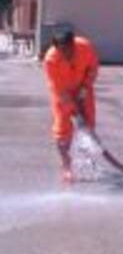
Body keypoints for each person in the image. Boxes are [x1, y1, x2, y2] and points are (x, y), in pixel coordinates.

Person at [43, 30, 99, 183]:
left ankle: (87, 162)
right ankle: (66, 165)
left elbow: (93, 68)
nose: (67, 54)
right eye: (63, 51)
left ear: (73, 44)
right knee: (62, 128)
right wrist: (74, 108)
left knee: (88, 124)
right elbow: (59, 89)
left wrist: (85, 87)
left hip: (83, 87)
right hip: (62, 92)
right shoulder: (50, 60)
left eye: (70, 49)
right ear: (56, 48)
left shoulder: (85, 47)